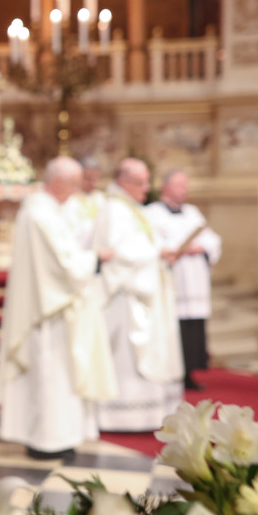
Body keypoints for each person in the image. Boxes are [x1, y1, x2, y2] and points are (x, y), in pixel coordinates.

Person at [0, 157, 112, 459]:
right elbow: (64, 264)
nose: (76, 191)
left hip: (57, 305)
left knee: (62, 374)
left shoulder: (50, 209)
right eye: (73, 184)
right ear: (57, 181)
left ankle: (64, 435)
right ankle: (46, 439)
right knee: (50, 374)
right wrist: (96, 258)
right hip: (47, 311)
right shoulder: (39, 213)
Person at [93, 158, 183, 431]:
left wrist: (161, 251)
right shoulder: (112, 209)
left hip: (142, 292)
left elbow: (143, 244)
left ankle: (149, 413)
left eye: (147, 181)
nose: (147, 188)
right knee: (128, 358)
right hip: (126, 297)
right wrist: (156, 254)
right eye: (141, 182)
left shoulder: (132, 208)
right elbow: (117, 253)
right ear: (124, 182)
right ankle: (122, 415)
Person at [145, 170, 222, 392]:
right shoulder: (152, 213)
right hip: (174, 280)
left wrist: (203, 247)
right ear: (166, 187)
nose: (184, 190)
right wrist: (176, 248)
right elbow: (154, 243)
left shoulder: (192, 213)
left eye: (185, 185)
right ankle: (173, 372)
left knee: (194, 329)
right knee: (174, 328)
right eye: (179, 185)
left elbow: (211, 239)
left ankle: (191, 372)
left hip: (195, 280)